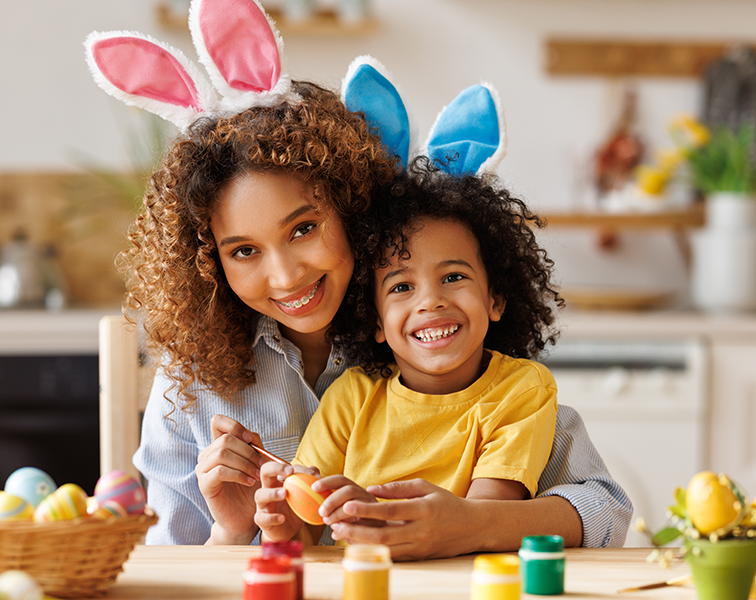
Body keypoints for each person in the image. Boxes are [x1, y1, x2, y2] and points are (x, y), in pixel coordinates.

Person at [85, 0, 632, 555]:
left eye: (303, 229)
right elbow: (168, 567)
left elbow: (605, 509)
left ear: (349, 209)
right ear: (210, 263)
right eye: (244, 250)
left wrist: (473, 523)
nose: (285, 274)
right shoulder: (194, 380)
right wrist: (232, 531)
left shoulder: (431, 339)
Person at [254, 158, 562, 554]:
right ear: (377, 321)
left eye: (453, 277)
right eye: (401, 287)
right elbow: (306, 530)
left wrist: (378, 518)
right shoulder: (351, 397)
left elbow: (482, 518)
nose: (431, 301)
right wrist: (282, 524)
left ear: (495, 298)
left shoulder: (521, 388)